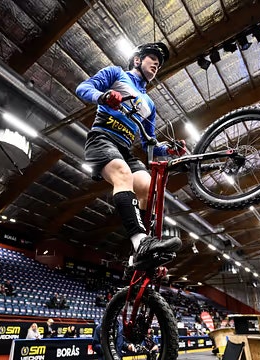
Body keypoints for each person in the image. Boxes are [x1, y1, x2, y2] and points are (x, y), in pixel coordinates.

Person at [76, 42, 183, 269]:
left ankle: (139, 252)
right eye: (152, 57)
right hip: (102, 138)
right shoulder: (116, 74)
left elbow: (148, 143)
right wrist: (104, 96)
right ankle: (140, 241)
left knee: (148, 186)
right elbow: (83, 88)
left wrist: (168, 149)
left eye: (160, 63)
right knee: (123, 174)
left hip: (125, 148)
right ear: (137, 60)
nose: (157, 63)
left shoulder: (150, 104)